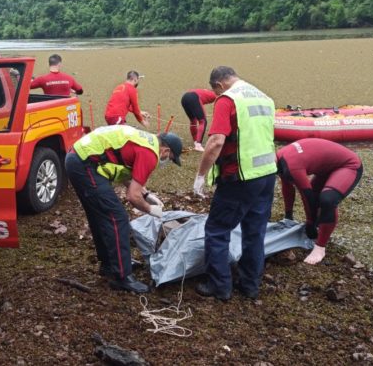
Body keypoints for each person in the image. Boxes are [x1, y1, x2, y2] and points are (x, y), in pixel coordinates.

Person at [65, 125, 183, 293]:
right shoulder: (150, 154)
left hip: (78, 158)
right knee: (117, 217)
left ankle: (110, 265)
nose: (167, 160)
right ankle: (121, 276)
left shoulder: (145, 140)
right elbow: (132, 197)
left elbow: (125, 170)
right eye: (170, 158)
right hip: (85, 164)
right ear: (165, 150)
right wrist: (152, 209)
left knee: (99, 216)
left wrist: (147, 194)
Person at [192, 66, 277, 301]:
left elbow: (216, 142)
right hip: (267, 174)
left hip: (240, 176)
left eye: (215, 92)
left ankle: (219, 286)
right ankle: (250, 286)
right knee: (255, 232)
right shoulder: (264, 97)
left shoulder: (228, 100)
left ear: (219, 85)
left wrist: (201, 176)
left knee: (217, 230)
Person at [276, 138, 363, 265]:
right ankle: (318, 229)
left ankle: (320, 248)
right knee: (317, 198)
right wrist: (288, 216)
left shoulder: (292, 167)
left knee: (327, 199)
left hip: (349, 165)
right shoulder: (279, 159)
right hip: (327, 168)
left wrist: (310, 223)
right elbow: (287, 188)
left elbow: (307, 197)